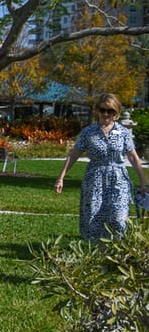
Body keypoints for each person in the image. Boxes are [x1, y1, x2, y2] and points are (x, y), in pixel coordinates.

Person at [55, 93, 148, 241]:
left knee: (119, 218)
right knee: (94, 218)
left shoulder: (123, 132)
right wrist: (61, 178)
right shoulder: (88, 132)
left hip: (118, 179)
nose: (105, 114)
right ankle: (100, 256)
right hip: (95, 178)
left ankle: (117, 255)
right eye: (102, 110)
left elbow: (133, 157)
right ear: (97, 110)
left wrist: (143, 182)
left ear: (116, 112)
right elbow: (74, 154)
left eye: (110, 111)